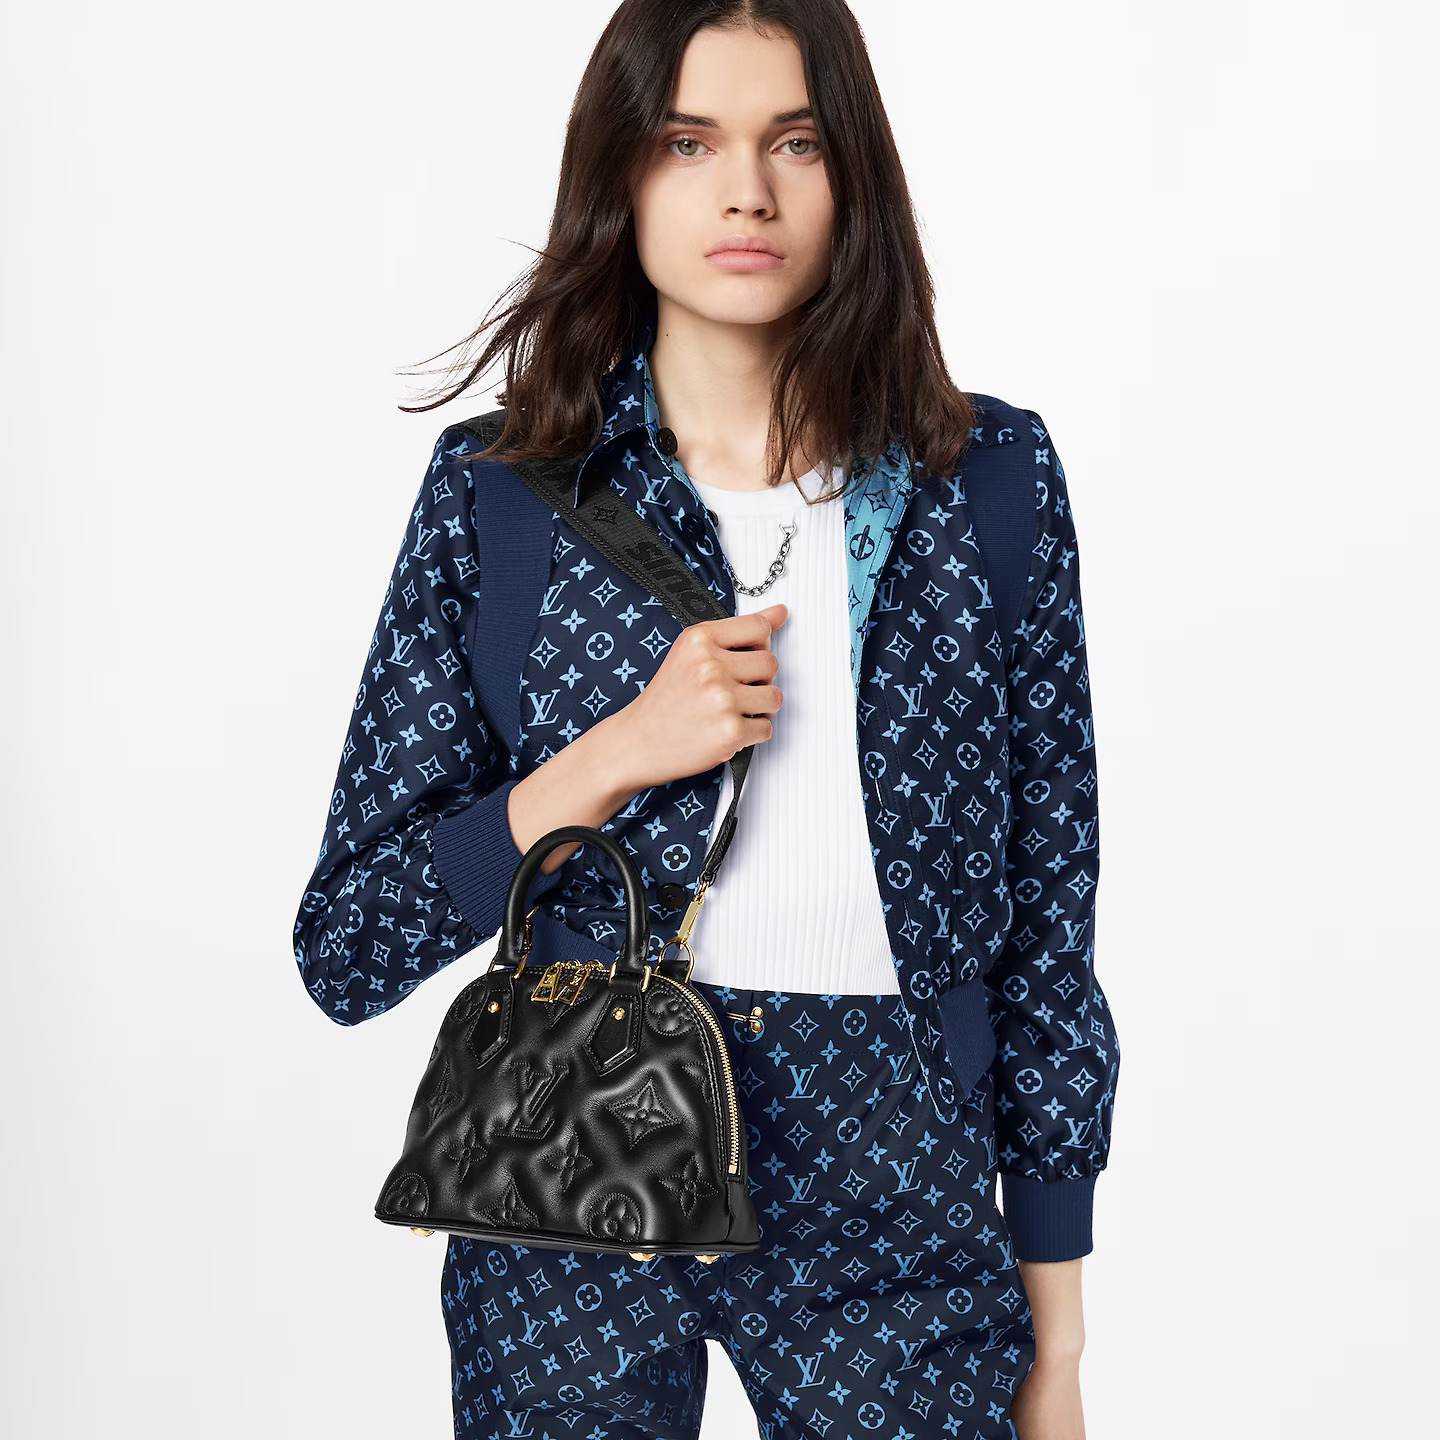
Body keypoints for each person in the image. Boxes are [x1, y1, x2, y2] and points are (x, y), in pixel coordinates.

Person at [292, 4, 1120, 1437]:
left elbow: (1050, 926)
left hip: (896, 1141)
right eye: (689, 143)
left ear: (854, 174)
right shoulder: (504, 492)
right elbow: (349, 944)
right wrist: (614, 756)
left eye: (795, 142)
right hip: (575, 1137)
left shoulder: (985, 476)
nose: (747, 192)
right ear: (619, 176)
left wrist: (1059, 1342)